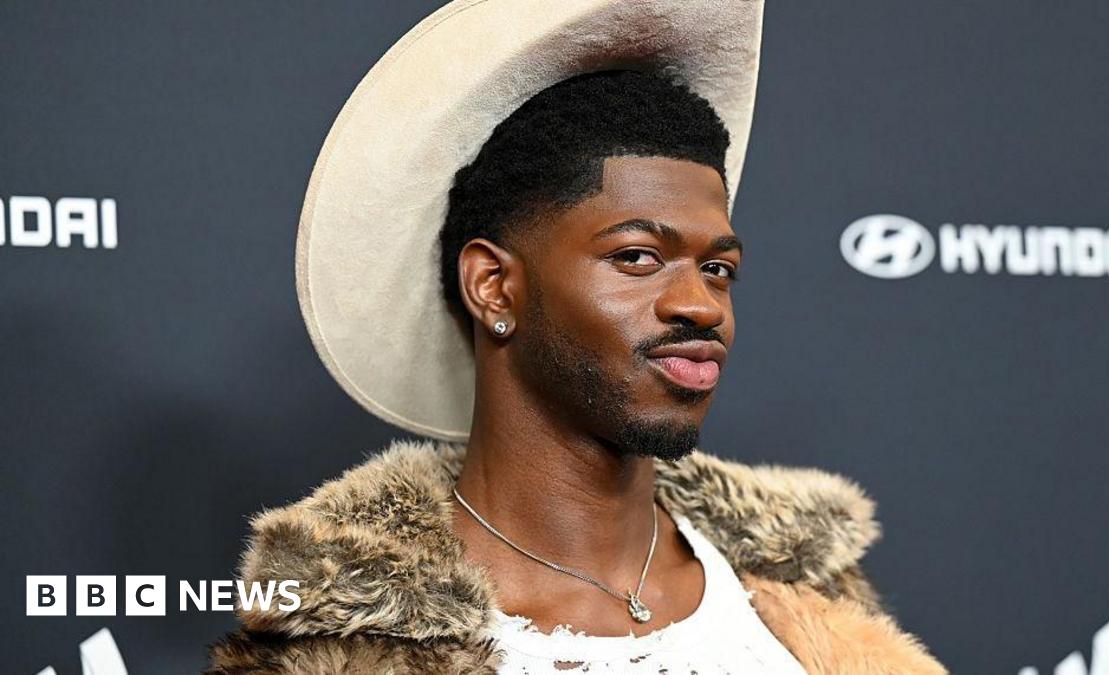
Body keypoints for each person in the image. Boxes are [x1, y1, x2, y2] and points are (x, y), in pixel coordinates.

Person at [208, 1, 946, 673]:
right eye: (637, 257)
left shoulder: (815, 612)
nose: (701, 305)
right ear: (495, 287)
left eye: (718, 267)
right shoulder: (339, 654)